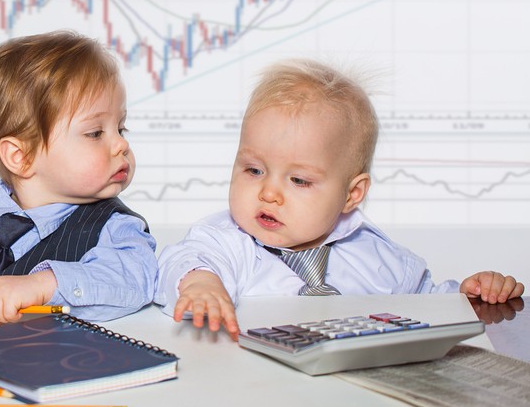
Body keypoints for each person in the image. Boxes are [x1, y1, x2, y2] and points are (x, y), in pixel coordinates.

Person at [155, 59, 524, 338]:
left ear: (352, 194)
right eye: (253, 170)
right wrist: (200, 283)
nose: (268, 192)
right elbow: (188, 260)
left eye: (298, 180)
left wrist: (470, 294)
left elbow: (426, 300)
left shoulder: (376, 255)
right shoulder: (227, 240)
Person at [0, 30, 157, 326]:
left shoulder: (115, 226)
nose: (120, 144)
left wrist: (44, 285)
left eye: (120, 128)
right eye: (95, 133)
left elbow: (135, 278)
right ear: (21, 157)